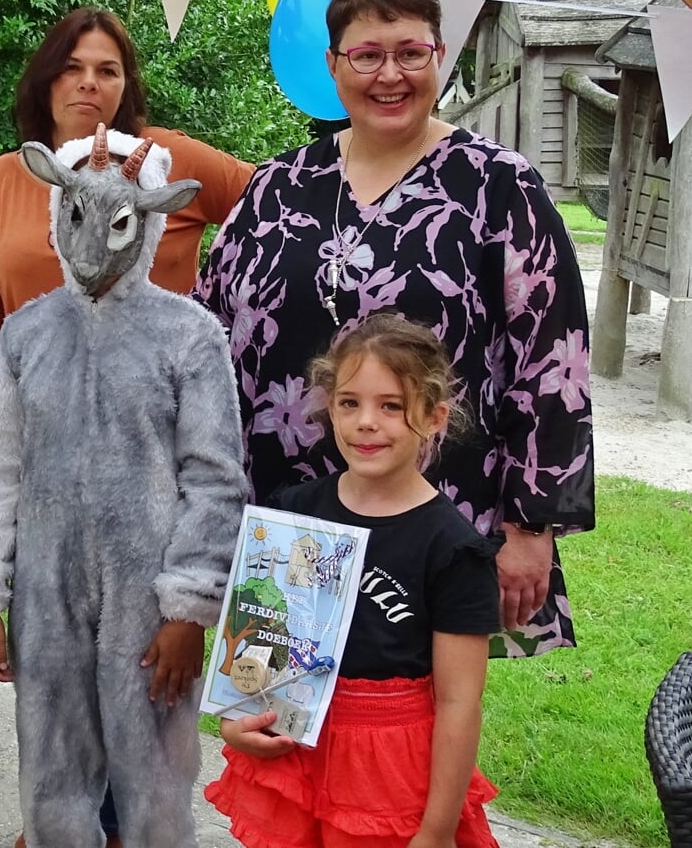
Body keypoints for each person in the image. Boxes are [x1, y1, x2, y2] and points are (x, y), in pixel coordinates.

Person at [196, 0, 594, 657]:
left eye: (411, 52)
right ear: (332, 65)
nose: (390, 75)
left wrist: (531, 528)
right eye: (367, 55)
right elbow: (202, 339)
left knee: (406, 724)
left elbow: (552, 360)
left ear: (439, 56)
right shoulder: (278, 187)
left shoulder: (497, 185)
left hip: (435, 514)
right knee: (279, 707)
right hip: (285, 519)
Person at [0, 126, 248, 847]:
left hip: (148, 600)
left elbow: (215, 480)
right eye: (77, 217)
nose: (92, 247)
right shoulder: (28, 334)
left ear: (147, 220)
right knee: (50, 767)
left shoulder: (190, 337)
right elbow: (1, 466)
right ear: (57, 210)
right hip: (47, 595)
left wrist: (189, 604)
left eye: (116, 222)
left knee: (153, 776)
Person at [205, 313, 502, 848]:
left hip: (387, 769)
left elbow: (460, 702)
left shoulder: (454, 548)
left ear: (434, 417)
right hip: (296, 742)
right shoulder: (294, 514)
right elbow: (262, 638)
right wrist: (239, 719)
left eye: (391, 405)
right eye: (349, 402)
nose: (366, 421)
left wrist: (435, 832)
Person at [0, 6, 253, 367]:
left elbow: (282, 203)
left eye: (107, 71)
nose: (89, 82)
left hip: (159, 408)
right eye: (71, 67)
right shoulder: (2, 180)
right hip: (44, 409)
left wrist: (236, 306)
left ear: (126, 87)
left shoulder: (166, 160)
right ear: (45, 80)